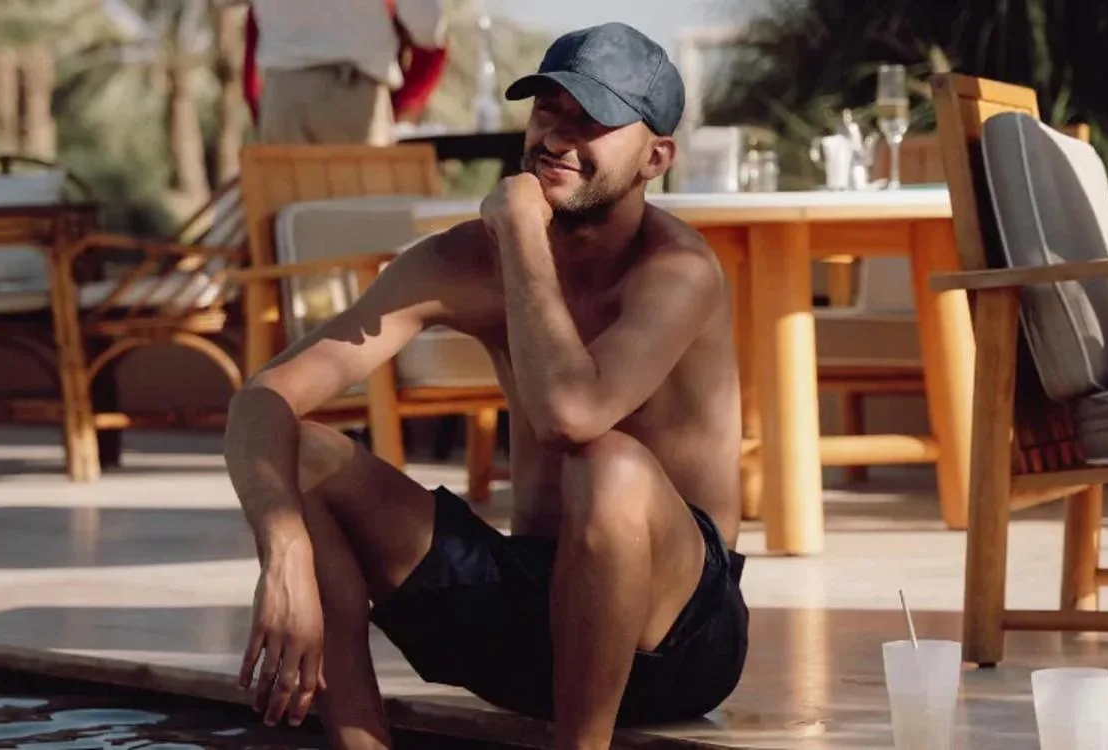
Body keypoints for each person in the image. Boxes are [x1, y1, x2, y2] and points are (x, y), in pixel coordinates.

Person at [224, 22, 749, 750]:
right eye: (547, 110)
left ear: (656, 157)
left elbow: (570, 416)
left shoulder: (678, 271)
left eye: (591, 120)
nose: (556, 138)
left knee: (606, 463)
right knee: (302, 452)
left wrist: (524, 233)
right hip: (534, 616)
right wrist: (283, 554)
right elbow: (263, 399)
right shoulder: (461, 261)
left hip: (678, 642)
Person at [239, 0, 448, 143]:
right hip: (351, 96)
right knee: (360, 195)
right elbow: (428, 27)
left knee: (288, 195)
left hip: (282, 97)